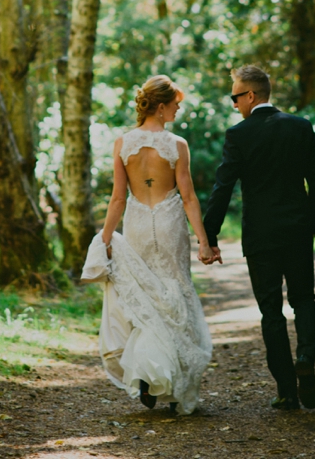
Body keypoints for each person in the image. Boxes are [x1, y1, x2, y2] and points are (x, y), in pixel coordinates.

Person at [80, 75, 215, 413]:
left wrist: (107, 239)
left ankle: (149, 377)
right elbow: (188, 197)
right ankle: (171, 383)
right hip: (169, 223)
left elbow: (117, 199)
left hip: (138, 222)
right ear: (160, 106)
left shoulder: (122, 143)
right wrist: (204, 241)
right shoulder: (177, 144)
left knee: (146, 299)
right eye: (175, 104)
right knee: (174, 294)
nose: (178, 109)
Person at [203, 65, 315, 410]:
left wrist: (208, 234)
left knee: (271, 311)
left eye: (235, 96)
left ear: (251, 95)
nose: (233, 105)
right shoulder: (300, 127)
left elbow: (223, 187)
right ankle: (306, 356)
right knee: (304, 299)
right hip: (297, 230)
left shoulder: (238, 134)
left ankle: (287, 390)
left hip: (260, 235)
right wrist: (312, 223)